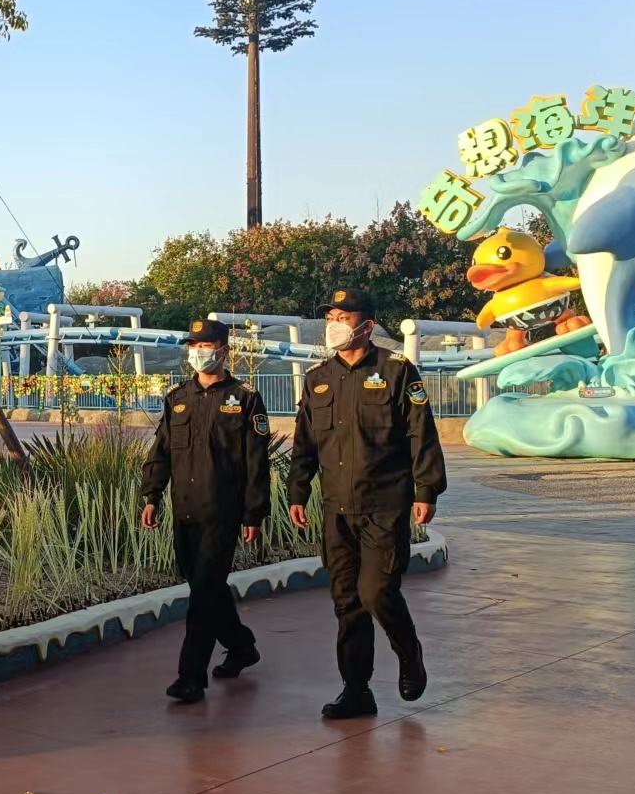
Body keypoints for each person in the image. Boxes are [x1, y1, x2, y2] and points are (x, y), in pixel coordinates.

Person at [287, 288, 447, 720]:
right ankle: (356, 690)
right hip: (337, 507)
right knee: (346, 601)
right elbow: (305, 441)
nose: (333, 325)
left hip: (385, 503)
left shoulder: (396, 370)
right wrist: (298, 490)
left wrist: (426, 490)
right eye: (330, 317)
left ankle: (408, 652)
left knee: (376, 591)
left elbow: (420, 432)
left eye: (343, 317)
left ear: (367, 325)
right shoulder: (318, 377)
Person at [141, 318, 273, 704]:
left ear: (223, 350)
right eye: (193, 345)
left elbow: (257, 463)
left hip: (223, 511)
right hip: (185, 509)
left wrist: (253, 513)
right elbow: (162, 451)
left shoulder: (244, 398)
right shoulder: (177, 397)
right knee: (205, 586)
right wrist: (152, 496)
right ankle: (242, 646)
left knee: (202, 593)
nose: (198, 352)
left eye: (205, 345)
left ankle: (190, 677)